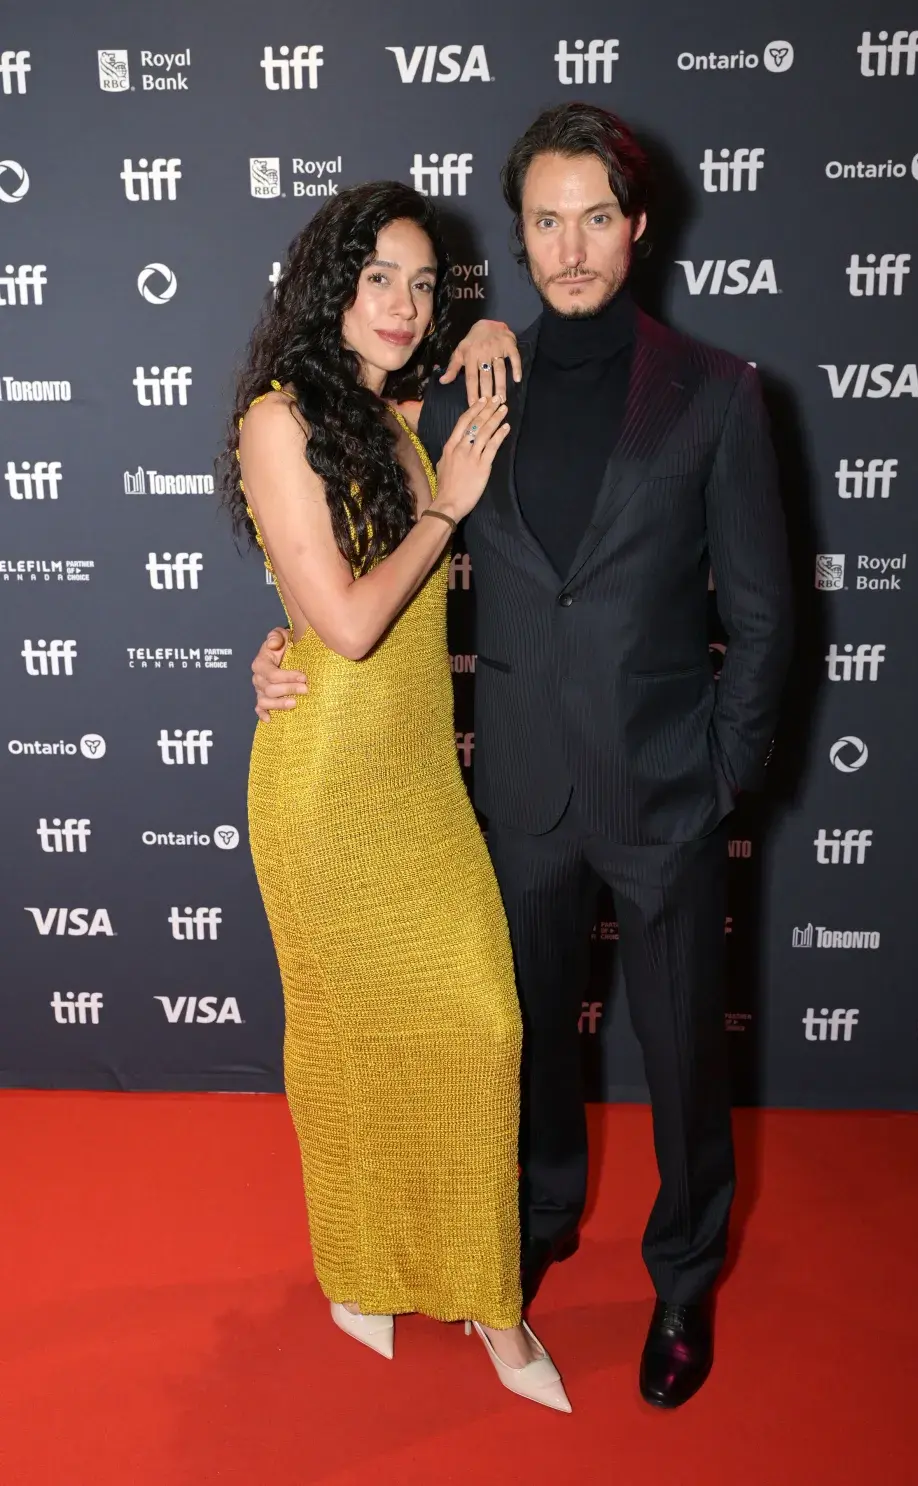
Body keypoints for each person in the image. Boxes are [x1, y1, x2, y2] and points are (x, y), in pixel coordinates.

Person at [252, 106, 793, 1409]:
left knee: (679, 1056)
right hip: (511, 797)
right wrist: (278, 651)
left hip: (661, 791)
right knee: (526, 1040)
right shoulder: (466, 388)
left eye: (594, 216)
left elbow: (767, 613)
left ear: (638, 224)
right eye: (544, 219)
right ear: (519, 235)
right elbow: (351, 545)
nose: (570, 245)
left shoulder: (715, 394)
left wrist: (716, 776)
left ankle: (679, 1280)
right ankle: (535, 1224)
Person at [220, 180, 571, 1413]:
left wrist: (488, 332)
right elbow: (356, 623)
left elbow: (499, 353)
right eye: (380, 279)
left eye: (425, 284)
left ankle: (486, 1291)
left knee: (480, 1025)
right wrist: (445, 508)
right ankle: (362, 1266)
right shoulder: (280, 420)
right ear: (331, 286)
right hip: (324, 792)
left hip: (417, 781)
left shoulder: (396, 410)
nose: (404, 305)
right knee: (344, 1044)